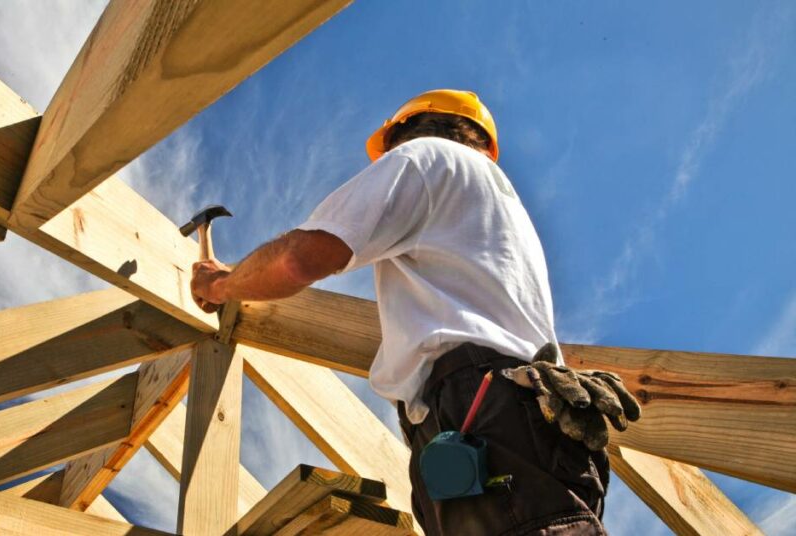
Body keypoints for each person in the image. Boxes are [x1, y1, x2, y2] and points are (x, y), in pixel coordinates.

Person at [191, 89, 636, 535]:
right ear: (486, 144)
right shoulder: (499, 208)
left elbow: (297, 259)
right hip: (526, 424)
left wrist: (222, 283)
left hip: (480, 412)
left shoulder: (425, 158)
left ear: (402, 135)